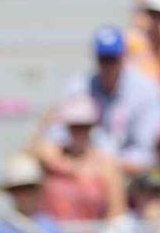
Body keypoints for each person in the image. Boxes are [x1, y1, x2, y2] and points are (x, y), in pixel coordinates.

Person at [41, 26, 160, 175]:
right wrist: (76, 167)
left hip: (129, 176)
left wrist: (104, 166)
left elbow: (147, 152)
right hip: (80, 172)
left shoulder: (146, 91)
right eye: (103, 60)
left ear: (123, 57)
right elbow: (54, 138)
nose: (108, 66)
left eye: (112, 59)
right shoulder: (78, 88)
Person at [34, 95, 128, 223]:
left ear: (92, 128)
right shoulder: (55, 158)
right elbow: (30, 152)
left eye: (84, 127)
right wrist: (47, 123)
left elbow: (116, 212)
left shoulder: (106, 164)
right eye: (74, 127)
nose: (79, 132)